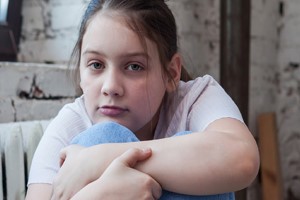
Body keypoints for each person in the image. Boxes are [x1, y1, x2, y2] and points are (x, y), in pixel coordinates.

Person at [25, 0, 260, 199]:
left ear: (171, 73)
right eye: (96, 65)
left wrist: (100, 158)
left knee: (200, 152)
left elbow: (242, 159)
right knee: (103, 135)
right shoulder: (71, 123)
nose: (110, 87)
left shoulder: (194, 98)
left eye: (134, 67)